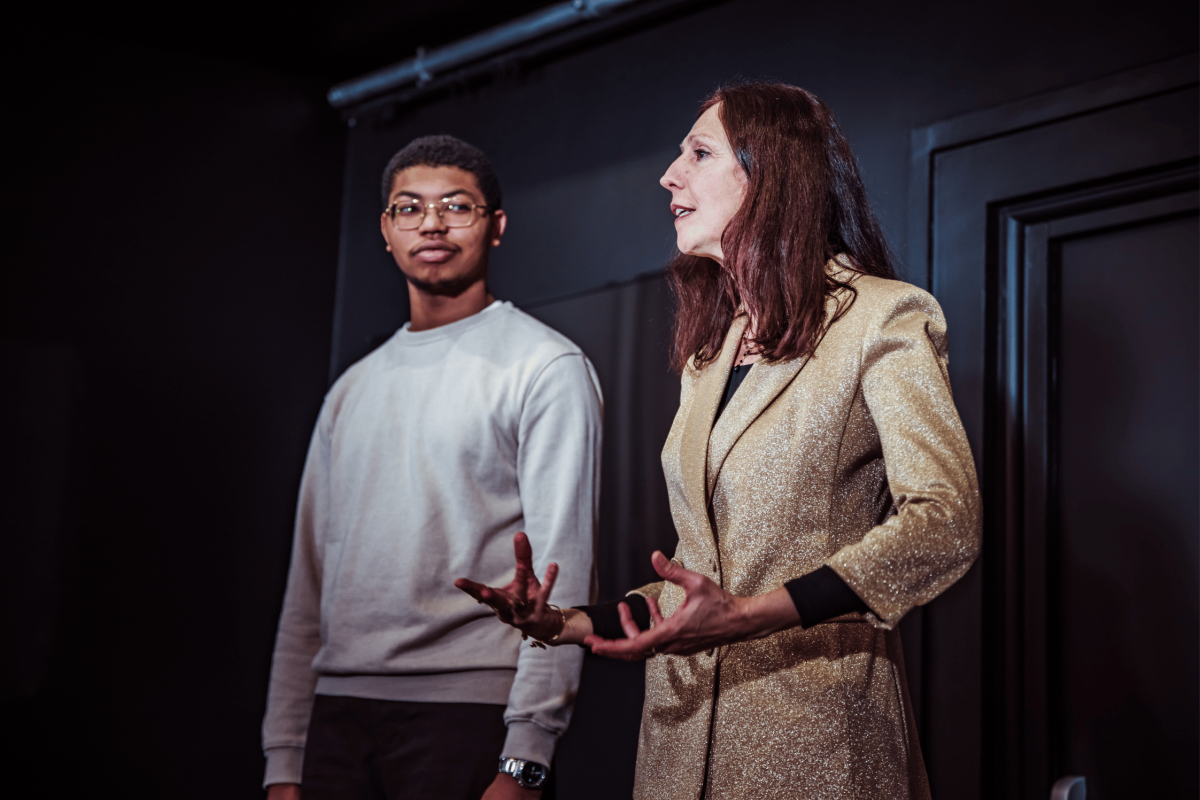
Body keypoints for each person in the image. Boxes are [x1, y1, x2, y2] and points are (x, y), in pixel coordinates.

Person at [455, 83, 982, 799]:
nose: (669, 176)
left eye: (698, 153)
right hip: (678, 742)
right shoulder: (709, 355)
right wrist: (568, 622)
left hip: (817, 744)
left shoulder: (883, 318)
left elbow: (944, 522)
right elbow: (700, 581)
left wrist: (748, 616)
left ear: (769, 172)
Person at [262, 135, 603, 800]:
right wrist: (284, 758)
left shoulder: (545, 367)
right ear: (386, 231)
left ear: (496, 226)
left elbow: (565, 566)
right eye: (409, 208)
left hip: (470, 714)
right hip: (335, 717)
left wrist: (527, 757)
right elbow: (306, 586)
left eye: (457, 206)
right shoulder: (350, 391)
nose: (433, 224)